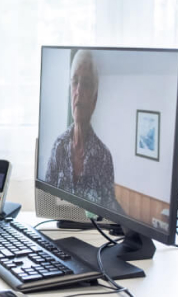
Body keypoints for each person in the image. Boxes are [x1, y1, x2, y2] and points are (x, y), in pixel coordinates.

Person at [44, 50, 122, 211]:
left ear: (95, 98)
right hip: (58, 228)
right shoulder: (58, 146)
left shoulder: (103, 157)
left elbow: (109, 214)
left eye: (86, 84)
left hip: (93, 233)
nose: (78, 91)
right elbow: (47, 203)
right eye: (75, 82)